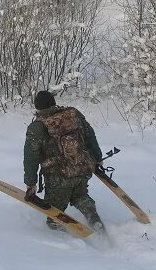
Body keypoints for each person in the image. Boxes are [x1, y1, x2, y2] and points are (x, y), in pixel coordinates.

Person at [23, 90, 105, 232]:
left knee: (54, 212)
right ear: (53, 103)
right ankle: (94, 219)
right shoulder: (73, 115)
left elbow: (31, 157)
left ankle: (63, 240)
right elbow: (90, 136)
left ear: (38, 107)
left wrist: (30, 183)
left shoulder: (37, 127)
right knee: (80, 196)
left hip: (58, 177)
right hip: (82, 168)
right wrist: (98, 159)